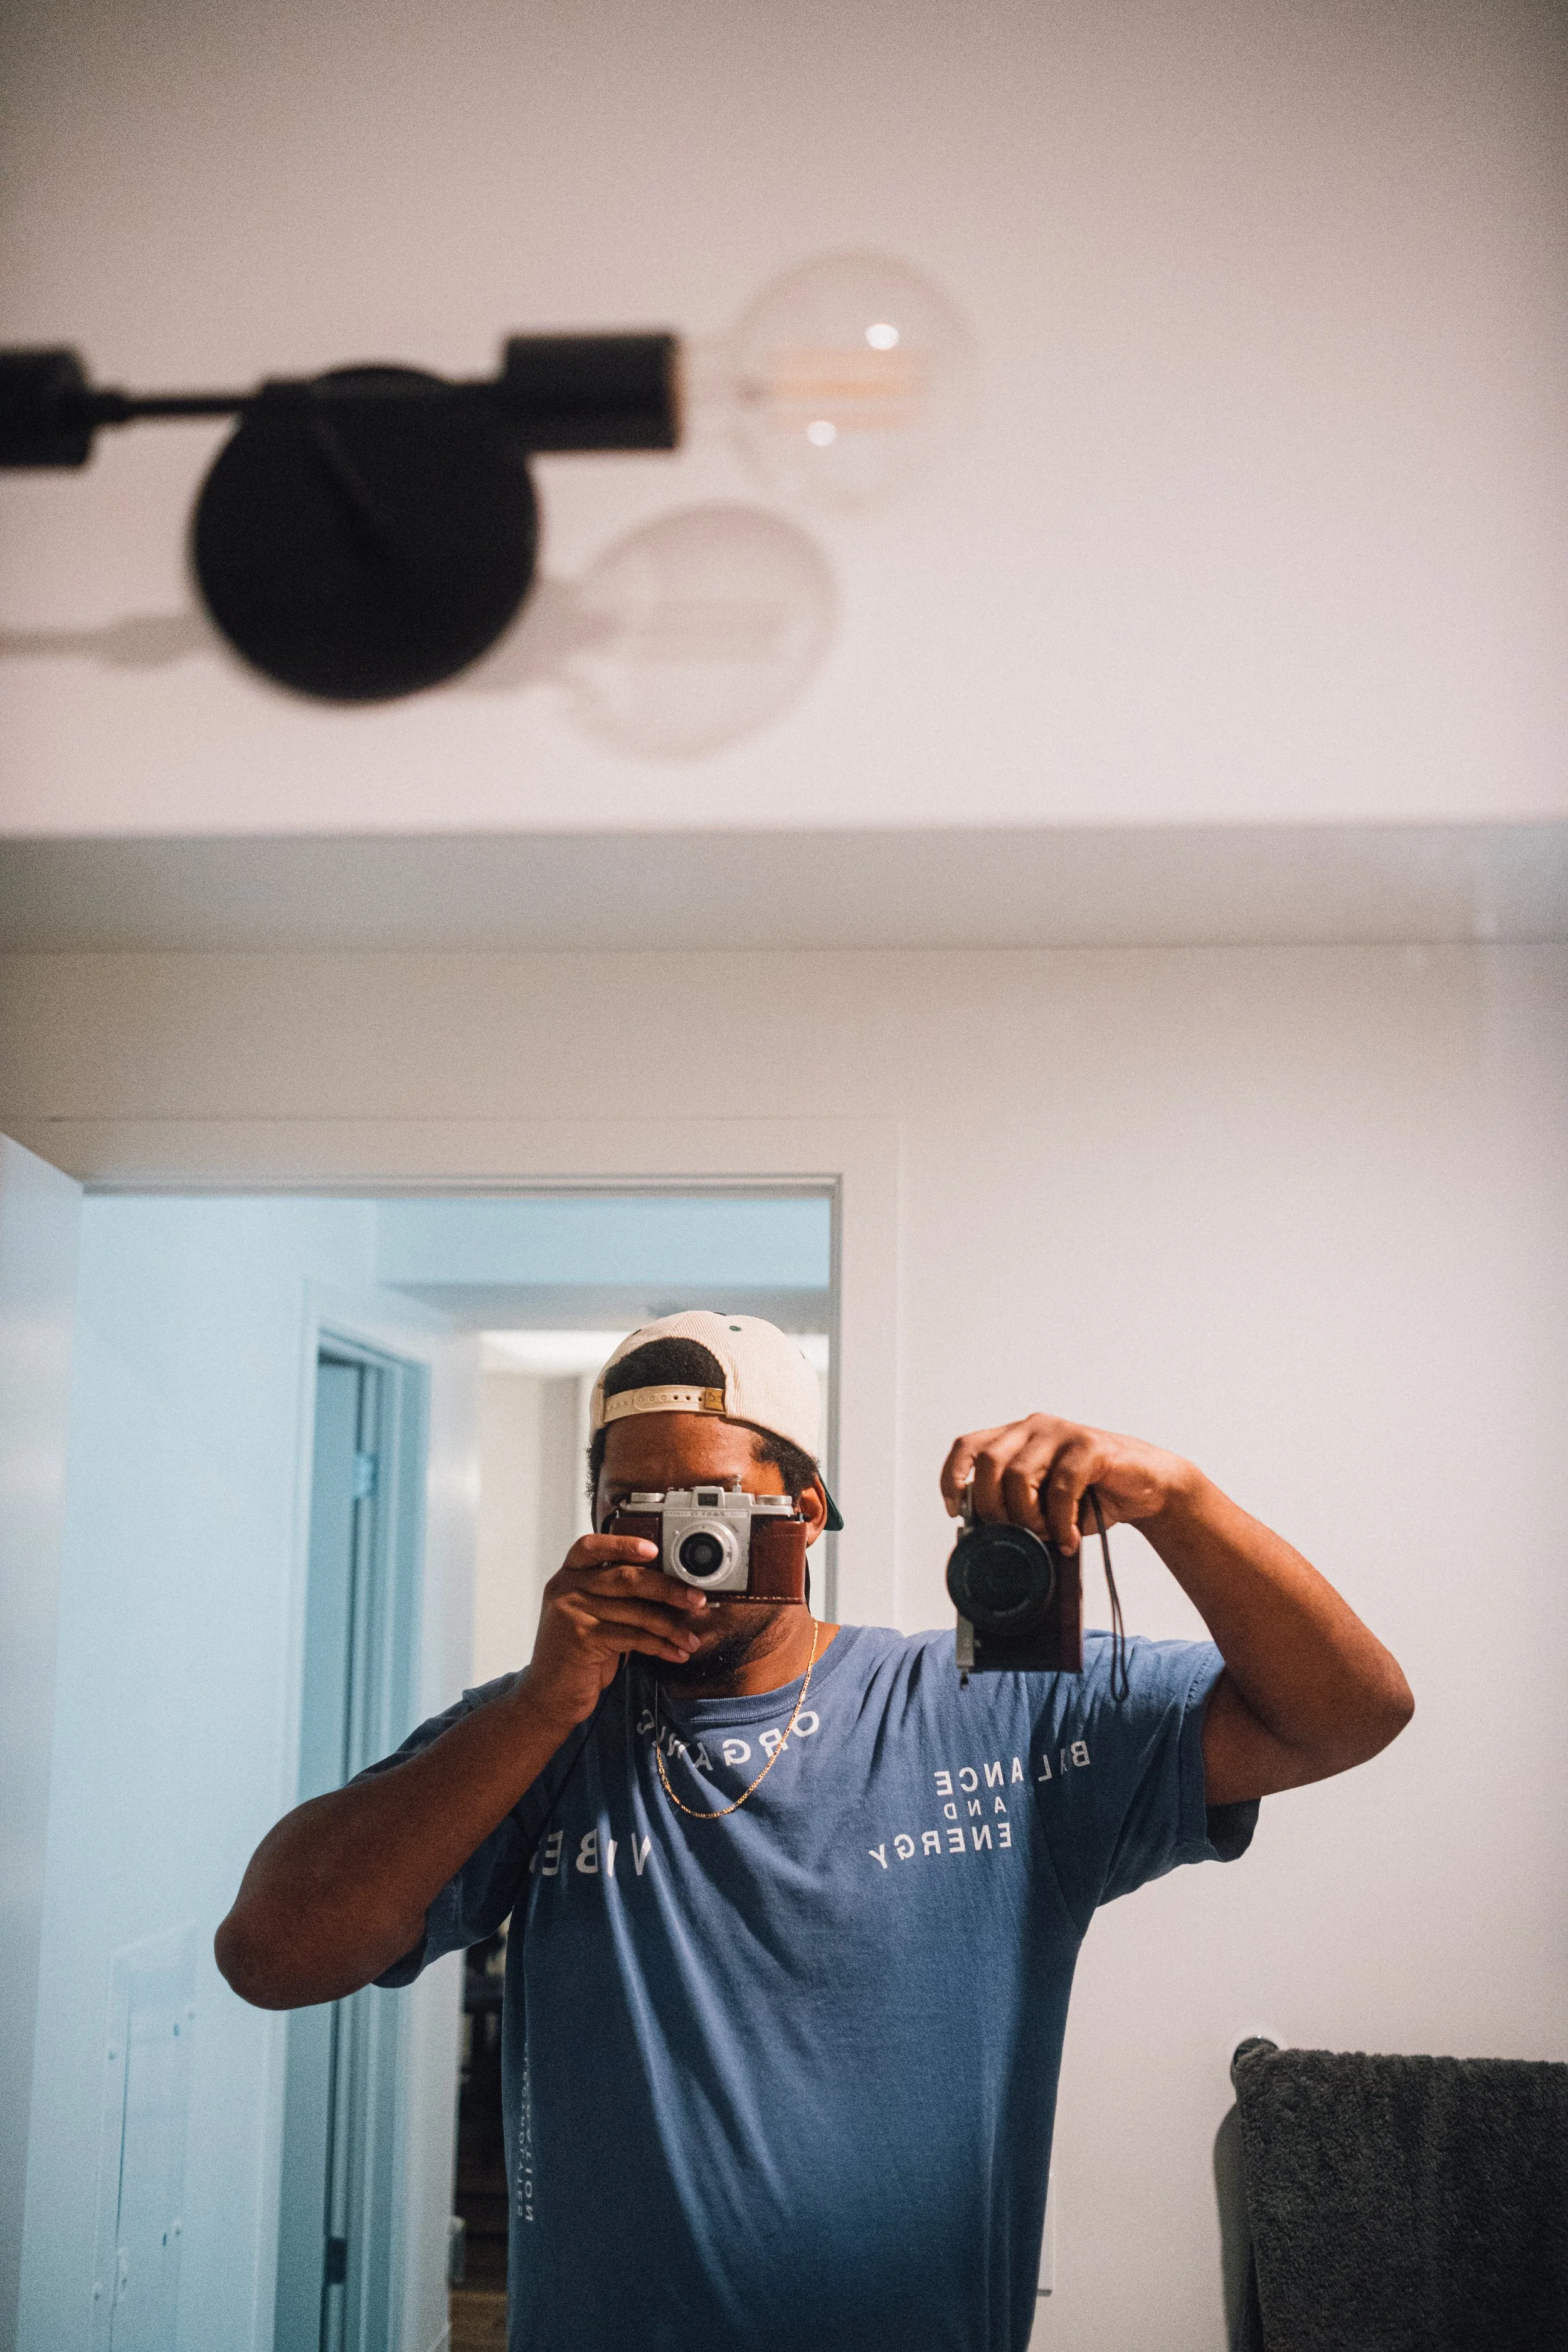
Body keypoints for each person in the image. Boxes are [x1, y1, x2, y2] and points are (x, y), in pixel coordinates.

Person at [217, 1311, 1412, 2352]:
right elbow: (269, 1952)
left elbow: (1351, 1712)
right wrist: (539, 1705)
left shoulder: (985, 1707)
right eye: (635, 1508)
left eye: (711, 1505)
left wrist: (1181, 1503)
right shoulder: (543, 1725)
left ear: (806, 1509)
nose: (679, 1548)